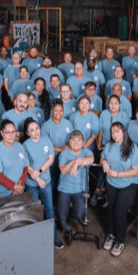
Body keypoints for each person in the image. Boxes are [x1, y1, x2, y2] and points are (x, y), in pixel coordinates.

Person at [100, 122, 138, 257]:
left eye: (117, 131)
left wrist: (118, 174)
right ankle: (111, 235)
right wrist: (104, 162)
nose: (114, 134)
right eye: (112, 132)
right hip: (112, 183)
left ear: (124, 131)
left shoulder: (133, 148)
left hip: (128, 185)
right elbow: (102, 158)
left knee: (119, 213)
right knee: (111, 210)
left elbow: (135, 171)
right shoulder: (109, 145)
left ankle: (120, 240)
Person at [22, 119, 63, 248]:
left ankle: (53, 236)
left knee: (49, 209)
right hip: (31, 183)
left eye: (37, 128)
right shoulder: (25, 145)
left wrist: (39, 172)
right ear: (27, 133)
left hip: (46, 182)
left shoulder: (46, 140)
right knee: (33, 211)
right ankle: (35, 239)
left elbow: (51, 159)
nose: (36, 132)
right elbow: (26, 165)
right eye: (32, 130)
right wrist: (37, 179)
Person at [56, 131, 95, 246]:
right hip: (65, 188)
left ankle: (66, 221)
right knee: (61, 214)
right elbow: (63, 170)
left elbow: (91, 159)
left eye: (79, 140)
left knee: (80, 212)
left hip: (80, 189)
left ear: (83, 142)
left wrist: (78, 162)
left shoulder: (86, 151)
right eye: (73, 140)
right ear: (69, 141)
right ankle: (64, 228)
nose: (76, 142)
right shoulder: (64, 154)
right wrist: (75, 162)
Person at [92, 95, 131, 207]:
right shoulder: (104, 114)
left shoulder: (124, 116)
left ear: (119, 105)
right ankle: (102, 192)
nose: (113, 105)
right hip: (104, 146)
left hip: (119, 146)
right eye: (111, 103)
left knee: (109, 165)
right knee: (104, 165)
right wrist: (99, 145)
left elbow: (125, 134)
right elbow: (100, 130)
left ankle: (100, 191)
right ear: (108, 104)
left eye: (115, 103)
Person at [0, 120, 30, 198]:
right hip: (3, 194)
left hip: (19, 190)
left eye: (13, 132)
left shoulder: (19, 146)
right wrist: (14, 187)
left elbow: (25, 167)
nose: (11, 135)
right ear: (2, 133)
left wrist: (20, 186)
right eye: (7, 132)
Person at [42, 100, 73, 192]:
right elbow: (45, 146)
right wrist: (59, 149)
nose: (58, 113)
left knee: (64, 183)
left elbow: (72, 139)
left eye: (61, 110)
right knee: (52, 183)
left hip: (65, 159)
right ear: (52, 111)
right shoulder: (46, 126)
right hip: (52, 161)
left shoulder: (68, 123)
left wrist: (68, 147)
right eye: (56, 110)